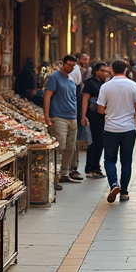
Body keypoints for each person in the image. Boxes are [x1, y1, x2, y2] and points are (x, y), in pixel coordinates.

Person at [98, 60, 136, 203]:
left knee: (109, 159)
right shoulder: (133, 85)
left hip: (111, 129)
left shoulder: (106, 87)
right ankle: (124, 192)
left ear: (111, 70)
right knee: (126, 160)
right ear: (125, 70)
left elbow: (100, 109)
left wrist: (111, 112)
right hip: (128, 129)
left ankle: (114, 184)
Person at [44, 54, 81, 188]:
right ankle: (54, 177)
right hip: (59, 117)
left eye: (73, 66)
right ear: (64, 64)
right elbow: (47, 97)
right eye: (69, 65)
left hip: (72, 117)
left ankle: (64, 173)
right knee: (60, 147)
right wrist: (47, 117)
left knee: (70, 148)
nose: (71, 68)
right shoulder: (55, 77)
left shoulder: (71, 78)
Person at [81, 62, 110, 179]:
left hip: (102, 116)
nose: (105, 73)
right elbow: (85, 100)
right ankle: (90, 167)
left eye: (106, 71)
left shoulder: (104, 84)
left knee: (100, 142)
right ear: (96, 71)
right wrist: (83, 116)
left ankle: (96, 166)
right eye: (102, 70)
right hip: (92, 116)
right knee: (93, 142)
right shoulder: (89, 84)